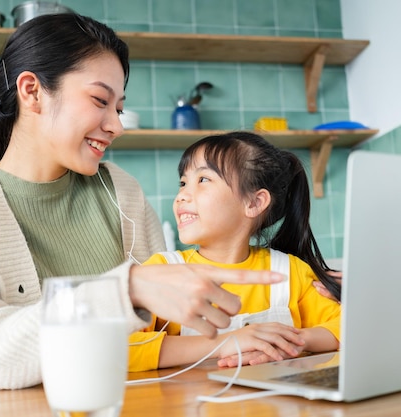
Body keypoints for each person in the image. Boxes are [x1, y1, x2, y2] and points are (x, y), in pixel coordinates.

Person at [0, 14, 285, 390]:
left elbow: (166, 330)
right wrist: (124, 290)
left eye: (118, 108)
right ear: (32, 91)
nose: (116, 125)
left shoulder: (122, 191)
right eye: (100, 100)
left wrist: (299, 293)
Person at [128, 131, 342, 372]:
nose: (181, 196)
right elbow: (119, 349)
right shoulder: (162, 272)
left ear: (254, 203)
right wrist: (228, 342)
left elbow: (348, 326)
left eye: (203, 180)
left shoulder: (290, 272)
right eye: (183, 182)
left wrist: (286, 342)